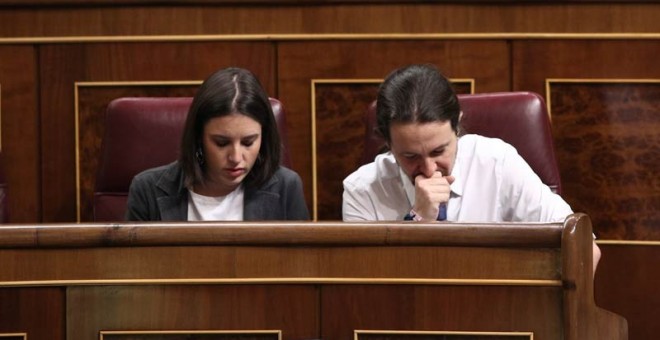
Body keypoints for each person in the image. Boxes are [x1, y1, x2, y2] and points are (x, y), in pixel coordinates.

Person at [342, 64, 600, 270]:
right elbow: (366, 288)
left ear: (457, 126)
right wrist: (419, 218)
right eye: (410, 156)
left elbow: (584, 249)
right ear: (388, 143)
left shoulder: (497, 163)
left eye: (439, 151)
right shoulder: (361, 190)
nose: (430, 169)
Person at [126, 67, 310, 221]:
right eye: (221, 143)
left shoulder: (286, 187)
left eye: (248, 142)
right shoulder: (147, 190)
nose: (236, 158)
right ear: (198, 137)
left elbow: (302, 263)